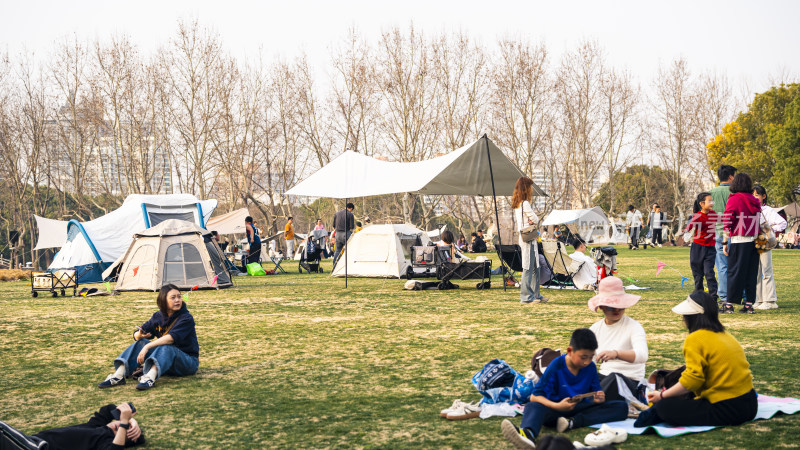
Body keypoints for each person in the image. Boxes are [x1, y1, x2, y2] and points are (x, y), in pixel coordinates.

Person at [635, 291, 757, 427]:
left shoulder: (694, 339)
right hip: (750, 403)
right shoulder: (726, 335)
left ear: (690, 318)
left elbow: (693, 380)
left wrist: (662, 396)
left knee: (665, 407)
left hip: (727, 408)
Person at [500, 329, 628, 448]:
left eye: (591, 356)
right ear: (569, 351)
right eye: (583, 357)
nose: (587, 362)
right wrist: (557, 406)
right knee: (533, 406)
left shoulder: (591, 367)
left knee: (621, 407)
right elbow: (535, 396)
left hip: (579, 410)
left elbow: (595, 393)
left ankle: (571, 423)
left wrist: (598, 399)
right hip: (555, 410)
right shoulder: (556, 365)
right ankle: (528, 434)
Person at [98, 284, 199, 391]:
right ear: (163, 300)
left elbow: (171, 338)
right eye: (173, 297)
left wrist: (148, 347)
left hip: (188, 363)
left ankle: (149, 378)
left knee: (166, 347)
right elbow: (140, 331)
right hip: (166, 364)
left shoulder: (186, 318)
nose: (178, 300)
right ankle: (118, 375)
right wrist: (139, 335)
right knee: (141, 343)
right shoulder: (158, 316)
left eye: (179, 296)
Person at [588, 277, 648, 403]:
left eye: (620, 306)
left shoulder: (634, 327)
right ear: (602, 307)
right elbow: (590, 362)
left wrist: (616, 354)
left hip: (629, 380)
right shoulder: (595, 329)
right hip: (605, 377)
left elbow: (642, 355)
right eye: (611, 307)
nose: (616, 310)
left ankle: (583, 406)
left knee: (615, 378)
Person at [7, 403, 146, 449]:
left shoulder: (104, 441)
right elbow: (109, 408)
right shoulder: (95, 426)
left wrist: (123, 424)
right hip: (31, 440)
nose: (124, 425)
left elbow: (115, 449)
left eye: (126, 430)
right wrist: (132, 421)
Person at [722, 173, 761, 314]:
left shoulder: (734, 199)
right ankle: (749, 305)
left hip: (739, 240)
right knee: (751, 273)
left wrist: (725, 241)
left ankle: (729, 305)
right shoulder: (755, 200)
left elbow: (728, 221)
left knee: (734, 272)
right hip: (754, 242)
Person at [752, 185, 787, 310]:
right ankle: (759, 299)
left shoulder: (767, 210)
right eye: (753, 195)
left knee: (766, 270)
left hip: (763, 240)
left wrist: (770, 230)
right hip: (753, 240)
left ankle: (770, 300)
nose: (755, 197)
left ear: (763, 196)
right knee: (756, 271)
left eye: (757, 195)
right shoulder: (751, 209)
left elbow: (783, 223)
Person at [512, 176, 546, 304]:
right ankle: (526, 297)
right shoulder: (525, 203)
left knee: (535, 266)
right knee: (528, 267)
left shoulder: (517, 203)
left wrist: (531, 220)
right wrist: (533, 220)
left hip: (527, 237)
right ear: (526, 188)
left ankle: (536, 294)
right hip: (528, 239)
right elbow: (535, 220)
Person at [684, 192, 720, 301]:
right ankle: (698, 297)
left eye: (712, 200)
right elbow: (690, 226)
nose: (712, 203)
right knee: (698, 275)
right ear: (702, 203)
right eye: (709, 201)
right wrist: (686, 231)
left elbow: (723, 221)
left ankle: (713, 298)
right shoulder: (698, 216)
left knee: (709, 273)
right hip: (698, 248)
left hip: (710, 249)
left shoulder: (713, 214)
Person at [710, 164, 737, 303]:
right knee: (737, 265)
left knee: (722, 266)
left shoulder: (711, 193)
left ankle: (725, 296)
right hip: (734, 233)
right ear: (731, 176)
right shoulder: (736, 193)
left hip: (717, 232)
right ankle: (740, 295)